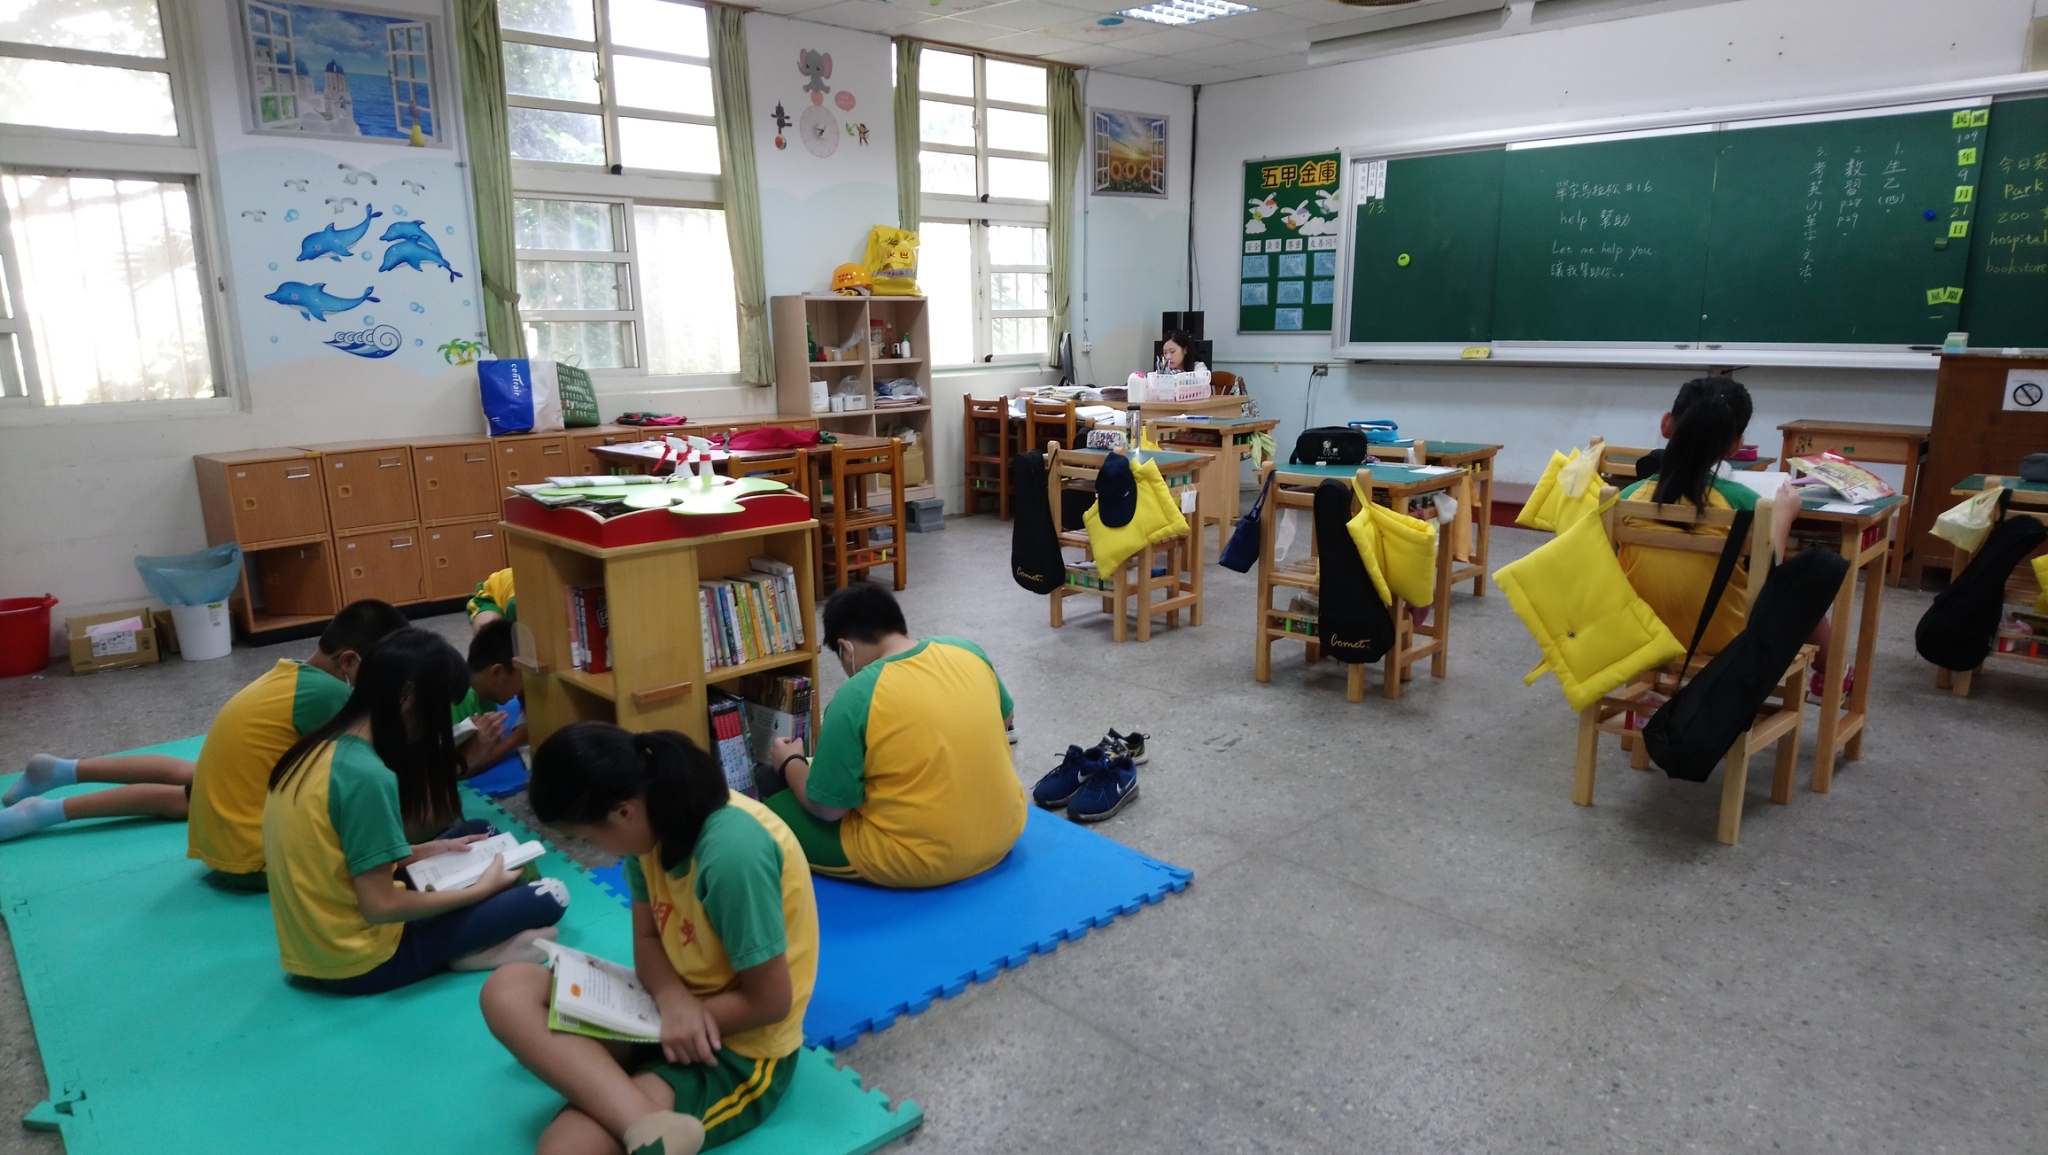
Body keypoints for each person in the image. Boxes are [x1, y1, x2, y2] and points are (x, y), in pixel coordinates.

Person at [481, 723, 817, 1155]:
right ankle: (644, 1122)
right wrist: (671, 1000)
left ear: (623, 812)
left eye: (587, 837)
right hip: (665, 1008)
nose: (599, 850)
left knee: (565, 1147)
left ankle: (639, 1112)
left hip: (738, 1047)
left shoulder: (732, 854)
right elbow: (646, 936)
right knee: (506, 989)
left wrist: (678, 1019)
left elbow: (770, 1002)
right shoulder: (651, 824)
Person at [263, 627, 568, 993]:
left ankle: (470, 935)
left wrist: (425, 849)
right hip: (361, 962)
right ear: (406, 698)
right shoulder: (367, 776)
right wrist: (479, 892)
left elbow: (335, 857)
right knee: (551, 894)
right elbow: (378, 906)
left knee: (481, 832)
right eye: (437, 710)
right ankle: (464, 950)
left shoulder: (319, 746)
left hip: (313, 947)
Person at [0, 600, 409, 872]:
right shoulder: (331, 696)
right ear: (349, 661)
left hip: (225, 824)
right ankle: (49, 804)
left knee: (195, 781)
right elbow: (371, 768)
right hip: (249, 858)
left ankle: (62, 776)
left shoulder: (292, 671)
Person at [762, 583, 1024, 888]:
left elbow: (828, 809)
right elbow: (1006, 718)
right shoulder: (966, 650)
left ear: (846, 649)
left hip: (920, 860)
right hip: (1006, 829)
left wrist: (789, 761)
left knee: (769, 791)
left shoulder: (855, 696)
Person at [1618, 378, 1832, 680]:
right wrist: (1783, 516)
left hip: (1642, 633)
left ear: (1667, 424)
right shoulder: (1745, 502)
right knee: (1802, 587)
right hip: (1727, 644)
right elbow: (1767, 578)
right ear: (1735, 445)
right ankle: (1835, 677)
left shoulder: (1628, 497)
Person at [454, 616, 526, 774]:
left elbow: (486, 749)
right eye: (523, 675)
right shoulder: (459, 699)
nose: (524, 684)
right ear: (497, 673)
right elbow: (455, 769)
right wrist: (516, 739)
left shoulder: (487, 690)